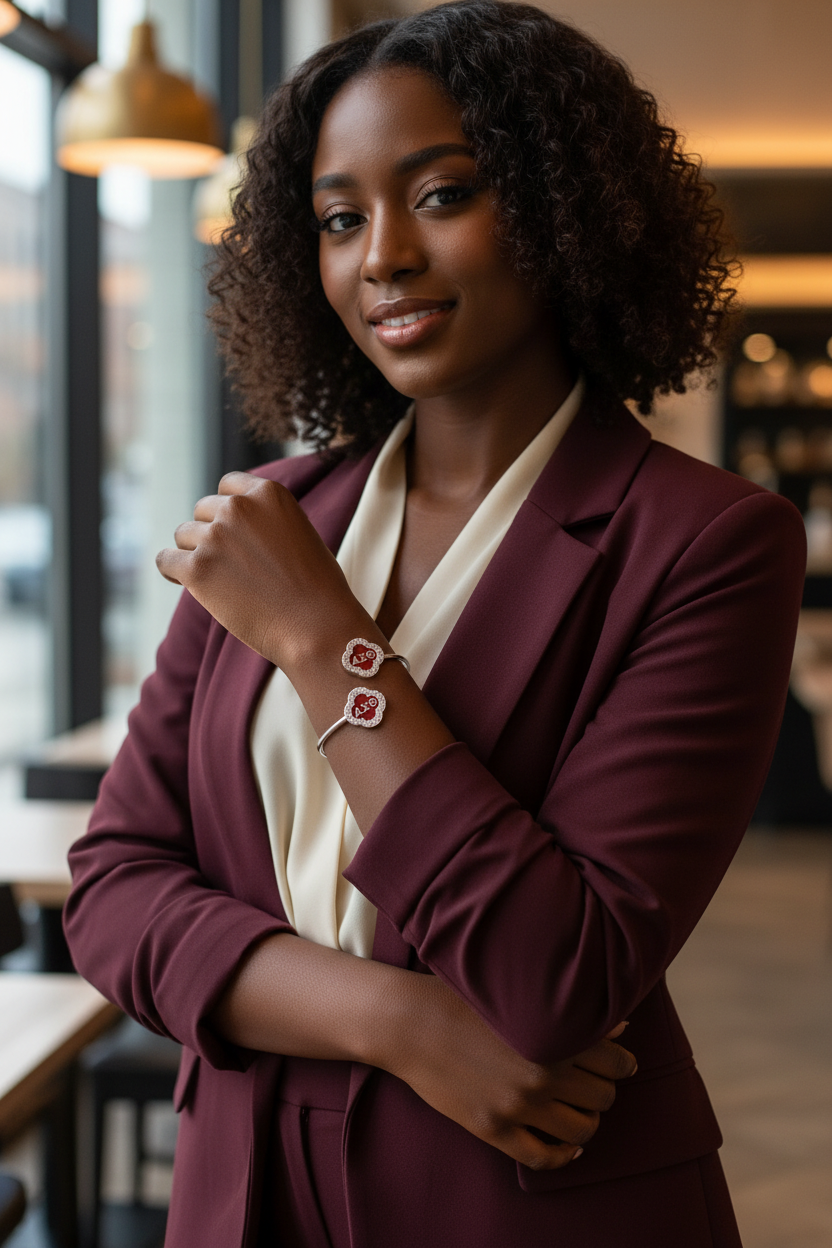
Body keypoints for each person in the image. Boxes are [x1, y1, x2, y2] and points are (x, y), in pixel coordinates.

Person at [64, 4, 806, 1246]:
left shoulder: (706, 542)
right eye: (339, 219)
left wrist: (321, 641)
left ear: (566, 208)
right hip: (241, 1190)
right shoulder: (267, 520)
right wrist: (396, 1023)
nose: (383, 257)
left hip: (519, 1202)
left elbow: (556, 974)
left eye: (443, 195)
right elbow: (112, 890)